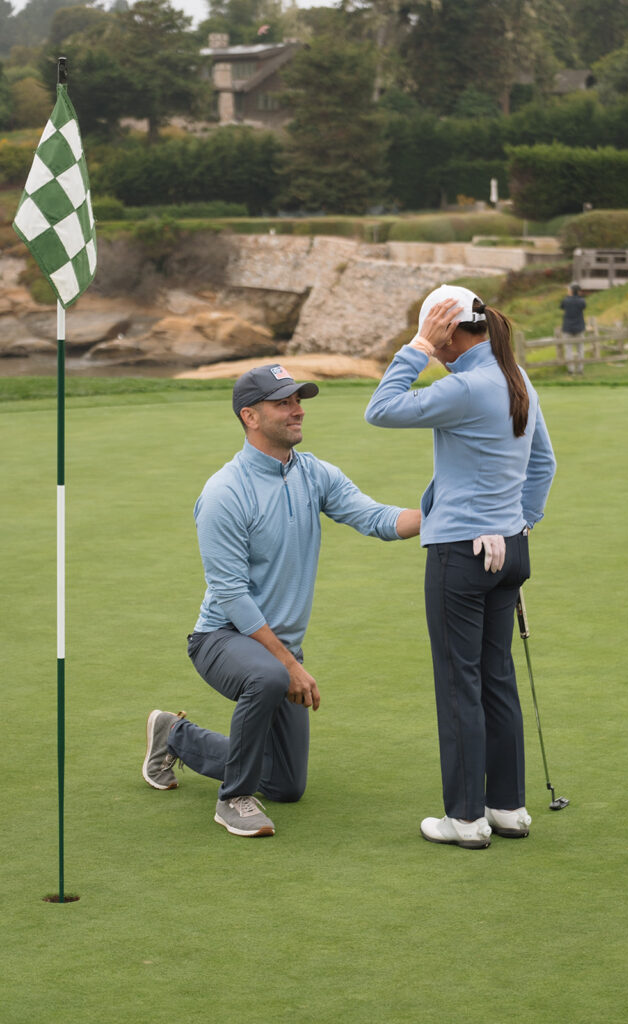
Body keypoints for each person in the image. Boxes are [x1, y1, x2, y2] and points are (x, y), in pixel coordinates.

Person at [142, 363, 420, 838]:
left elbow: (378, 519)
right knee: (268, 675)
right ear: (250, 416)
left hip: (277, 650)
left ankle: (175, 735)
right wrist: (288, 663)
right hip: (222, 638)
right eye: (284, 402)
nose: (298, 410)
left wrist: (446, 513)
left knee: (287, 784)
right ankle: (234, 799)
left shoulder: (313, 474)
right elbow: (231, 594)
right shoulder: (225, 492)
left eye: (299, 400)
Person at [365, 285, 556, 849]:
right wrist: (517, 524)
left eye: (435, 332)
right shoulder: (517, 379)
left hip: (460, 553)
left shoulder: (467, 386)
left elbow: (381, 408)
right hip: (509, 551)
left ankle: (466, 817)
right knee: (496, 679)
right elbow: (543, 463)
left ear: (449, 331)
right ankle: (508, 809)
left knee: (459, 684)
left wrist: (417, 348)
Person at [560, 282, 586, 374]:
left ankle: (570, 370)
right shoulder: (581, 301)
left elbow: (561, 306)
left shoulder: (566, 300)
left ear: (571, 291)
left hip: (567, 328)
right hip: (579, 327)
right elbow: (584, 306)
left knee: (568, 350)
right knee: (580, 349)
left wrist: (569, 296)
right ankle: (580, 369)